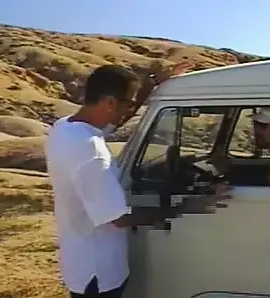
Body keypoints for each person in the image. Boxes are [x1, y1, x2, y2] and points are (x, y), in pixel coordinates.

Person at [45, 62, 231, 298]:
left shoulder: (65, 128)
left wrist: (147, 89)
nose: (129, 110)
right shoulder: (90, 152)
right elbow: (119, 218)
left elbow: (113, 122)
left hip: (80, 261)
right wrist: (181, 208)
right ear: (110, 102)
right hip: (100, 273)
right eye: (129, 103)